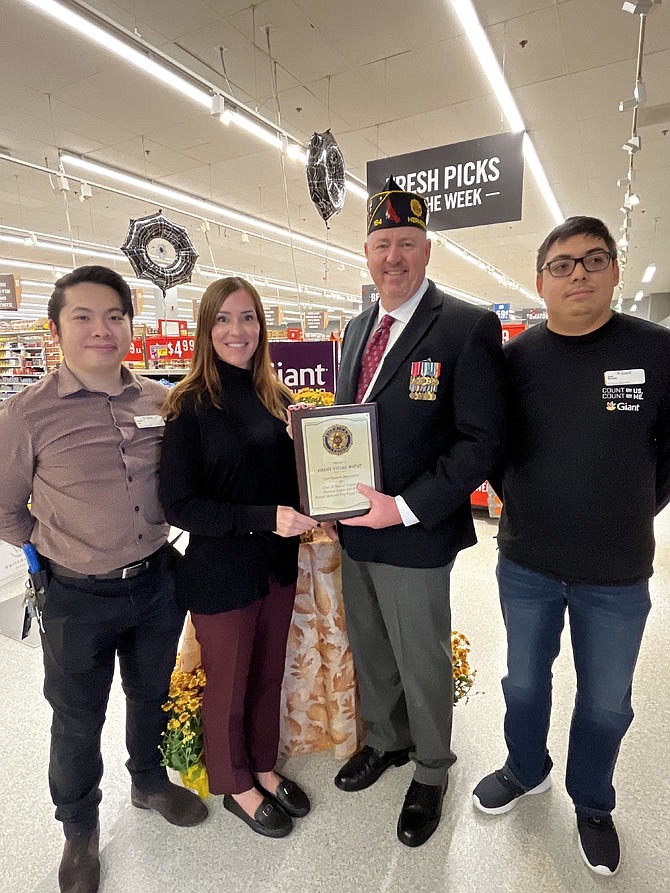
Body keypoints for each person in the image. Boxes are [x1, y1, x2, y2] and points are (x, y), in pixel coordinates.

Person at [472, 216, 670, 877]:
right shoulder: (515, 359)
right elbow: (496, 449)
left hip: (616, 574)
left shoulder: (658, 350)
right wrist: (529, 502)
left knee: (607, 699)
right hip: (526, 561)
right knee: (523, 682)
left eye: (593, 259)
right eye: (562, 264)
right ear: (541, 281)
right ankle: (525, 768)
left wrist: (627, 507)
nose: (578, 272)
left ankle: (593, 801)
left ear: (615, 270)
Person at [0, 265, 207, 893]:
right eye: (84, 316)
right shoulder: (25, 415)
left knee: (151, 694)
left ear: (130, 326)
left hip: (156, 583)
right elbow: (6, 509)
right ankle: (79, 830)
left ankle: (147, 781)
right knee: (75, 715)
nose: (102, 328)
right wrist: (52, 544)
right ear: (56, 328)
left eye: (115, 315)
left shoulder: (158, 400)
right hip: (74, 595)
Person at [327, 177, 506, 847]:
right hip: (353, 528)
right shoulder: (354, 328)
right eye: (380, 244)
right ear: (366, 253)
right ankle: (387, 740)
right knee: (370, 646)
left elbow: (481, 441)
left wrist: (402, 507)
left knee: (421, 657)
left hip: (413, 529)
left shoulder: (465, 325)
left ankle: (431, 768)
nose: (392, 257)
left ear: (427, 250)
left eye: (406, 243)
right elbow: (352, 424)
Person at [159, 276, 314, 839]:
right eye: (223, 319)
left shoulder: (277, 399)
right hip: (221, 572)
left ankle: (264, 767)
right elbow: (179, 505)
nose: (237, 330)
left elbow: (289, 484)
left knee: (268, 674)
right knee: (228, 682)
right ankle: (234, 784)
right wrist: (262, 518)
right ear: (206, 328)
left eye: (247, 317)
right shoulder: (188, 406)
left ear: (262, 327)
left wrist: (311, 462)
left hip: (275, 566)